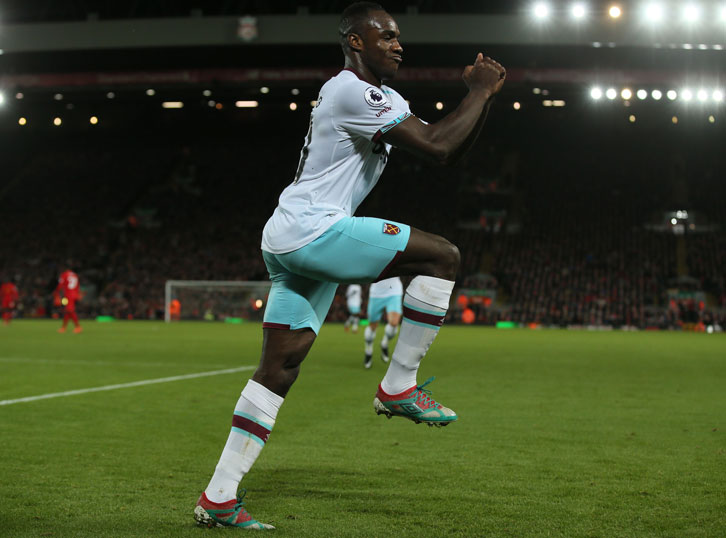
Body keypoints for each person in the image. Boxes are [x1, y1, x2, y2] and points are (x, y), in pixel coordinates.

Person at [194, 1, 505, 529]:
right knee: (443, 256)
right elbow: (435, 146)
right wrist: (478, 91)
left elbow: (448, 148)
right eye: (385, 36)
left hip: (290, 237)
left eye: (398, 36)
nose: (398, 45)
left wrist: (484, 99)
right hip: (314, 230)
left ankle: (219, 497)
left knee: (280, 368)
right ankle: (398, 385)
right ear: (355, 42)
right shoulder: (351, 90)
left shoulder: (375, 96)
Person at [363, 276, 403, 368]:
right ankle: (368, 350)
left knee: (394, 323)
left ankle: (384, 342)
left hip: (394, 291)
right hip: (376, 293)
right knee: (372, 326)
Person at [55, 267, 82, 333]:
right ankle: (63, 328)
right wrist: (78, 294)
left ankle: (78, 327)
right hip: (74, 294)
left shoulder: (64, 274)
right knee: (67, 311)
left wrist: (56, 293)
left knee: (70, 310)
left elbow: (60, 285)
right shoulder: (75, 275)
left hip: (69, 294)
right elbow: (77, 285)